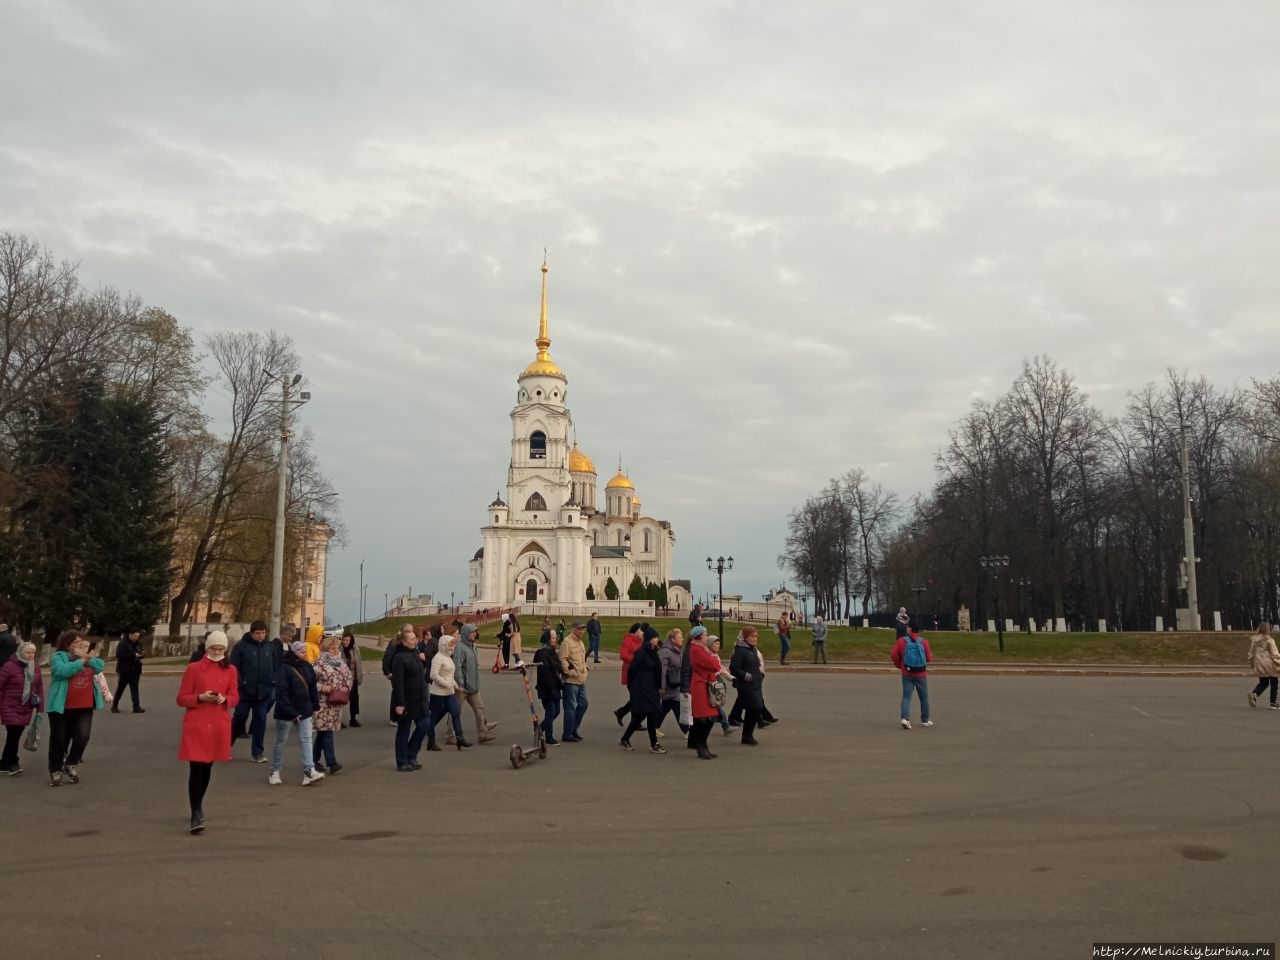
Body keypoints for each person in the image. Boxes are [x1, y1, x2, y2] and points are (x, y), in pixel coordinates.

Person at [176, 630, 238, 834]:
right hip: (197, 723)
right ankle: (196, 811)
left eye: (221, 649)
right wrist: (200, 697)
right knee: (196, 767)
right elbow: (182, 698)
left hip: (218, 723)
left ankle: (198, 805)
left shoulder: (231, 670)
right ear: (207, 648)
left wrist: (225, 699)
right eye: (214, 648)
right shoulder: (194, 669)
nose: (217, 652)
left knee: (207, 767)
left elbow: (235, 696)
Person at [46, 630, 106, 786]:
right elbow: (61, 672)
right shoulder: (59, 657)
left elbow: (100, 666)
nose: (80, 644)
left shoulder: (85, 656)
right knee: (59, 740)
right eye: (76, 642)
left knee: (82, 737)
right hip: (62, 707)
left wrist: (85, 657)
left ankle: (70, 763)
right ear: (67, 645)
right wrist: (82, 661)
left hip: (84, 706)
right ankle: (55, 770)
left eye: (81, 641)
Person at [269, 640, 324, 785]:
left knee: (306, 739)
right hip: (286, 712)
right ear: (294, 652)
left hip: (305, 710)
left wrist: (315, 707)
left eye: (305, 651)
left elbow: (312, 688)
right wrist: (291, 712)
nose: (304, 654)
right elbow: (282, 693)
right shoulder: (284, 668)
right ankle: (275, 771)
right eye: (301, 651)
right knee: (281, 742)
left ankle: (309, 770)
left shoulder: (307, 666)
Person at [229, 620, 278, 761]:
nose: (261, 636)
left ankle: (257, 753)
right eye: (258, 633)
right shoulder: (240, 647)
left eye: (263, 633)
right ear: (251, 633)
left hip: (263, 692)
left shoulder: (269, 647)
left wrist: (273, 680)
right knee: (239, 718)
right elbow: (233, 668)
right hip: (244, 692)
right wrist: (242, 682)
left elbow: (275, 666)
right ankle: (225, 746)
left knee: (260, 721)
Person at [390, 626, 431, 770]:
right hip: (405, 699)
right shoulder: (399, 657)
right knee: (404, 729)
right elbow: (397, 682)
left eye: (415, 638)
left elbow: (420, 675)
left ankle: (411, 754)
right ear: (404, 642)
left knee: (425, 724)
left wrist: (424, 660)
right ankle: (402, 761)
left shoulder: (415, 653)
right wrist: (400, 704)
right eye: (412, 639)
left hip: (419, 699)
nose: (415, 641)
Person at [619, 625, 665, 754]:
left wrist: (659, 686)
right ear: (649, 638)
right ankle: (653, 744)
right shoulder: (641, 652)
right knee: (647, 714)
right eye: (655, 637)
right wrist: (633, 687)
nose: (657, 639)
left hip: (651, 688)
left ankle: (626, 738)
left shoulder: (653, 652)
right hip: (642, 688)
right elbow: (632, 670)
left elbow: (658, 670)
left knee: (645, 715)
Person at [0, 640, 43, 775]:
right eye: (27, 652)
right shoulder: (8, 666)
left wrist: (40, 707)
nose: (30, 655)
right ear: (20, 652)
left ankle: (5, 762)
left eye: (33, 652)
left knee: (14, 735)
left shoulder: (35, 667)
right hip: (10, 705)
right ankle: (13, 762)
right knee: (14, 734)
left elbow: (39, 687)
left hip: (26, 707)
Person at [312, 635, 353, 773]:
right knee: (326, 732)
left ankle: (313, 760)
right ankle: (332, 762)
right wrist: (322, 688)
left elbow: (349, 677)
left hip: (336, 703)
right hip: (323, 703)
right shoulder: (318, 663)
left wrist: (346, 687)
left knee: (323, 733)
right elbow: (310, 682)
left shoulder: (341, 663)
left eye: (337, 648)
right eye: (332, 648)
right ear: (325, 649)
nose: (335, 651)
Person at [453, 623, 497, 744]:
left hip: (473, 686)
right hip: (462, 687)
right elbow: (457, 667)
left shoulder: (473, 647)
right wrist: (460, 683)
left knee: (479, 708)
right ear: (467, 633)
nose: (475, 634)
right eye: (473, 632)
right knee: (456, 710)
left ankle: (482, 734)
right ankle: (450, 735)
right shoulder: (460, 648)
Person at [428, 634, 471, 749]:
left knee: (455, 713)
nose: (453, 647)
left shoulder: (448, 657)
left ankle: (460, 738)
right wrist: (446, 684)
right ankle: (430, 739)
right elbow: (433, 675)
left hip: (450, 692)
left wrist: (456, 685)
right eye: (450, 644)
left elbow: (450, 675)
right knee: (434, 717)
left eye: (453, 644)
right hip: (438, 694)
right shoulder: (438, 658)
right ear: (443, 645)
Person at [687, 629, 724, 759]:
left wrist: (714, 663)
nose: (707, 636)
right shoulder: (696, 649)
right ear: (699, 636)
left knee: (712, 717)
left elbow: (714, 664)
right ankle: (701, 746)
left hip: (706, 685)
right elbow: (712, 664)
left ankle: (702, 745)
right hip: (700, 686)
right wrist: (714, 663)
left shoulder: (702, 648)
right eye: (705, 634)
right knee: (702, 718)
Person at [891, 620, 934, 730]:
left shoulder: (901, 641)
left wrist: (900, 665)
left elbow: (893, 655)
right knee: (924, 697)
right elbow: (929, 659)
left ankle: (905, 718)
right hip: (921, 673)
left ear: (909, 629)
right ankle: (925, 720)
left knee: (906, 696)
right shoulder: (924, 642)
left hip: (907, 673)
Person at [729, 627, 765, 746]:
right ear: (745, 637)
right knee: (756, 707)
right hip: (746, 685)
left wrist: (759, 674)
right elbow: (734, 668)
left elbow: (755, 663)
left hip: (756, 684)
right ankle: (747, 735)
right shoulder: (740, 650)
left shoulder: (752, 649)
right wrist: (746, 675)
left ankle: (747, 735)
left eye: (756, 637)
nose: (754, 639)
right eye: (751, 637)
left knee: (754, 709)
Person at [558, 621, 589, 742]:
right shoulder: (567, 642)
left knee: (584, 704)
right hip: (571, 681)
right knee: (570, 708)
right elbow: (563, 660)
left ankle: (573, 728)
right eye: (580, 629)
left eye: (583, 629)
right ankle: (567, 734)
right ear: (574, 629)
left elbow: (582, 659)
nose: (582, 631)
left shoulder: (580, 643)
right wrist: (569, 672)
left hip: (581, 679)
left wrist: (585, 668)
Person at [533, 630, 565, 745]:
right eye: (553, 638)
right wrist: (551, 686)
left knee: (556, 711)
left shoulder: (552, 651)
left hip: (555, 687)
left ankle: (539, 729)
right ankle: (548, 737)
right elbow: (546, 672)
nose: (555, 640)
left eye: (555, 638)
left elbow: (557, 666)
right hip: (547, 688)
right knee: (550, 711)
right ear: (547, 640)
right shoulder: (542, 653)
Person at [613, 622, 643, 726]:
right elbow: (623, 655)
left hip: (638, 674)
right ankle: (635, 722)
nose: (642, 632)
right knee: (637, 698)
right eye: (641, 630)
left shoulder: (640, 642)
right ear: (635, 632)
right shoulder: (628, 641)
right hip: (631, 673)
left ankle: (621, 712)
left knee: (637, 697)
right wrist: (636, 659)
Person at [657, 627, 686, 735]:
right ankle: (686, 730)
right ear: (672, 639)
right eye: (679, 637)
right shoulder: (665, 652)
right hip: (669, 686)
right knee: (677, 706)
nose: (682, 639)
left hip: (676, 684)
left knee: (666, 706)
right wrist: (662, 686)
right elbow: (662, 671)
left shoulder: (678, 651)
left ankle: (655, 726)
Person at [111, 627, 146, 713]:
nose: (136, 638)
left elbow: (141, 652)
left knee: (135, 688)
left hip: (135, 669)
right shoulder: (123, 643)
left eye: (137, 636)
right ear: (130, 634)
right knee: (121, 688)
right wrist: (134, 655)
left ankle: (136, 707)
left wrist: (142, 655)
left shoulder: (139, 643)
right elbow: (119, 655)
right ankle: (114, 706)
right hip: (124, 670)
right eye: (134, 636)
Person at [1247, 622, 1279, 709]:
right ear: (1268, 630)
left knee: (1263, 682)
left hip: (1259, 664)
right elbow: (1275, 654)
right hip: (1270, 664)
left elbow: (1251, 653)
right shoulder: (1270, 640)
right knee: (1274, 682)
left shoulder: (1255, 641)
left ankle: (1254, 694)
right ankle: (1273, 703)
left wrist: (1252, 664)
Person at [339, 631, 363, 727]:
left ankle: (353, 719)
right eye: (344, 640)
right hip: (341, 679)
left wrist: (358, 677)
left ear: (351, 640)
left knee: (354, 699)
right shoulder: (339, 649)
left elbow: (358, 663)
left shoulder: (355, 648)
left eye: (348, 640)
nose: (346, 642)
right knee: (340, 700)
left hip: (352, 678)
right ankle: (339, 720)